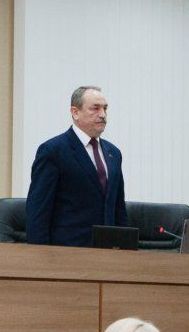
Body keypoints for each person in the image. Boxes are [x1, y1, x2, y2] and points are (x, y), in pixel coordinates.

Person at [25, 86, 128, 246]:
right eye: (95, 108)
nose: (102, 114)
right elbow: (38, 211)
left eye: (105, 108)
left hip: (107, 252)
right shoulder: (53, 151)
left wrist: (125, 250)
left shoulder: (113, 153)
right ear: (75, 112)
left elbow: (118, 207)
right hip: (67, 252)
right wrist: (40, 255)